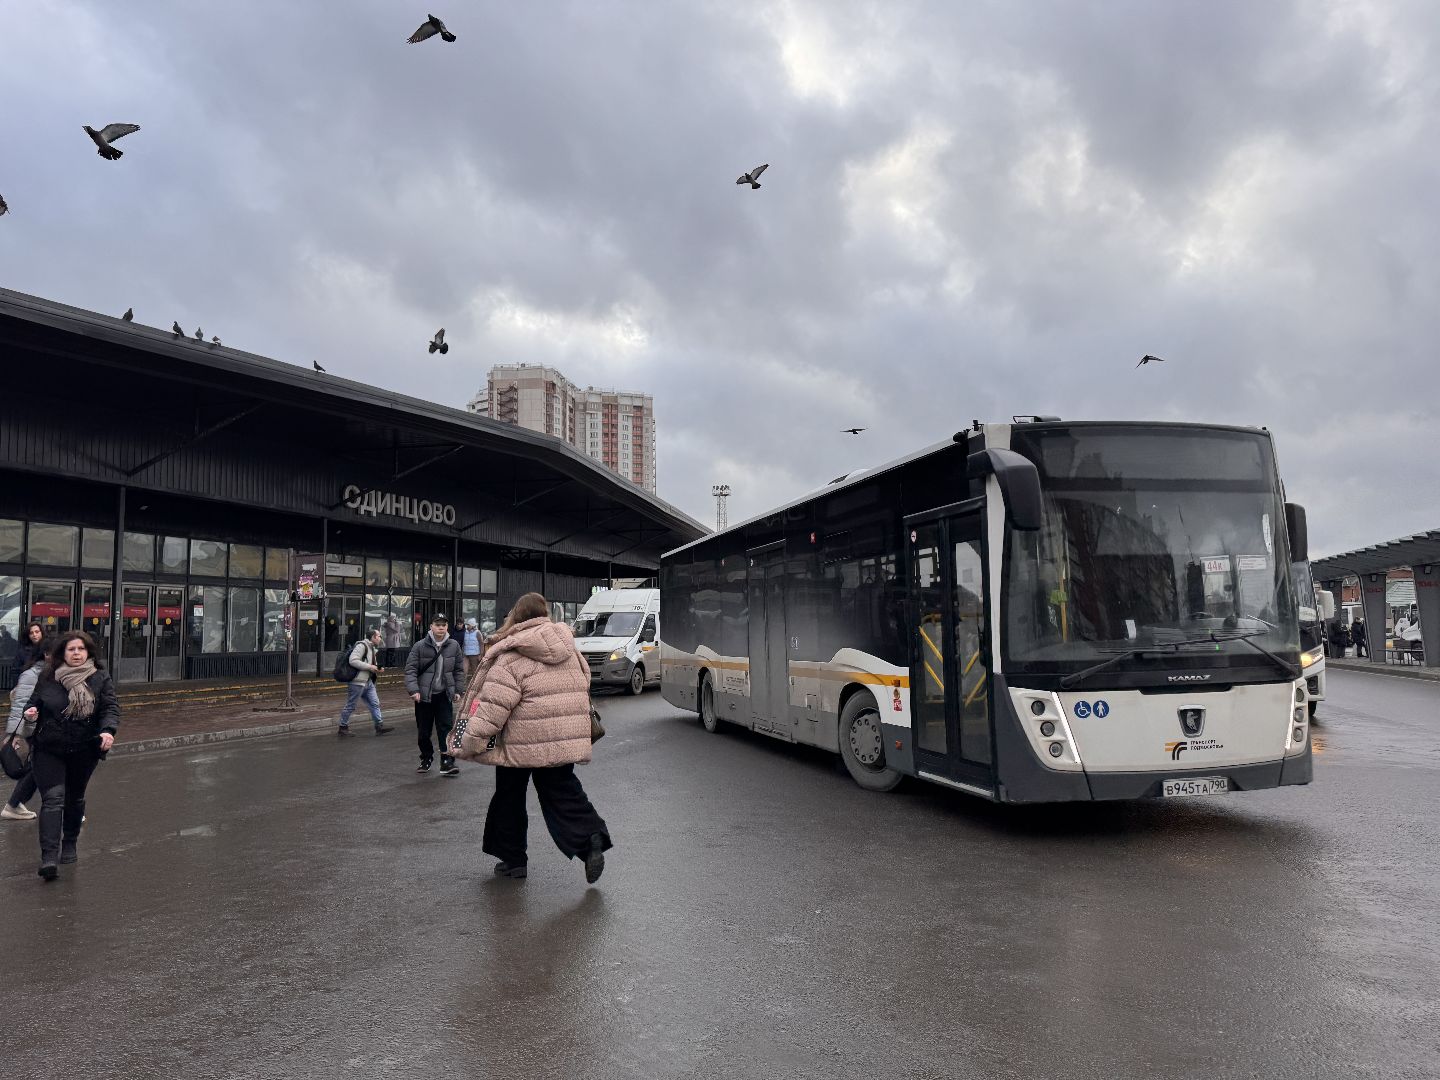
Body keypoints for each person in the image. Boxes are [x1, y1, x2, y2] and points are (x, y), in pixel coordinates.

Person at [453, 592, 612, 884]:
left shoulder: (511, 653)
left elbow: (492, 708)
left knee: (509, 796)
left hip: (519, 741)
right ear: (545, 614)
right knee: (563, 791)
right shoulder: (569, 649)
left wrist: (468, 740)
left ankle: (513, 860)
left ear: (516, 616)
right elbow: (584, 684)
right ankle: (591, 839)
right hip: (562, 737)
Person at [20, 631, 118, 881]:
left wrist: (107, 731)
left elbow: (109, 707)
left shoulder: (99, 677)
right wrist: (30, 713)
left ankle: (70, 843)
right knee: (53, 799)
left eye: (81, 649)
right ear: (62, 653)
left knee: (74, 798)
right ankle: (49, 858)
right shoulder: (48, 676)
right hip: (49, 748)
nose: (76, 653)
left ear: (88, 652)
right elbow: (33, 703)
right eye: (71, 649)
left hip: (84, 749)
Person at [404, 613, 464, 776]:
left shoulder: (454, 645)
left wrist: (458, 690)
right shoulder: (419, 646)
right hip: (424, 697)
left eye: (444, 625)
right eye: (437, 625)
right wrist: (414, 690)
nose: (441, 628)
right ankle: (426, 757)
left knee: (446, 728)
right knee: (424, 731)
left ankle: (447, 761)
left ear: (447, 627)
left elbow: (459, 670)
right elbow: (410, 670)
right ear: (431, 626)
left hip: (444, 695)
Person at [1, 639, 48, 821]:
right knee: (40, 767)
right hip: (32, 729)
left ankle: (15, 804)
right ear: (46, 654)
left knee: (39, 768)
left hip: (42, 729)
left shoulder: (51, 673)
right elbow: (19, 705)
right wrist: (14, 734)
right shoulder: (32, 675)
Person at [338, 628, 392, 737]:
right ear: (373, 637)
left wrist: (377, 669)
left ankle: (379, 726)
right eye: (379, 636)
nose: (380, 638)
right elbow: (353, 660)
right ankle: (343, 727)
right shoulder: (361, 646)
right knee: (351, 705)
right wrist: (370, 667)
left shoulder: (372, 648)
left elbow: (371, 665)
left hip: (368, 681)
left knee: (375, 703)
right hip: (357, 682)